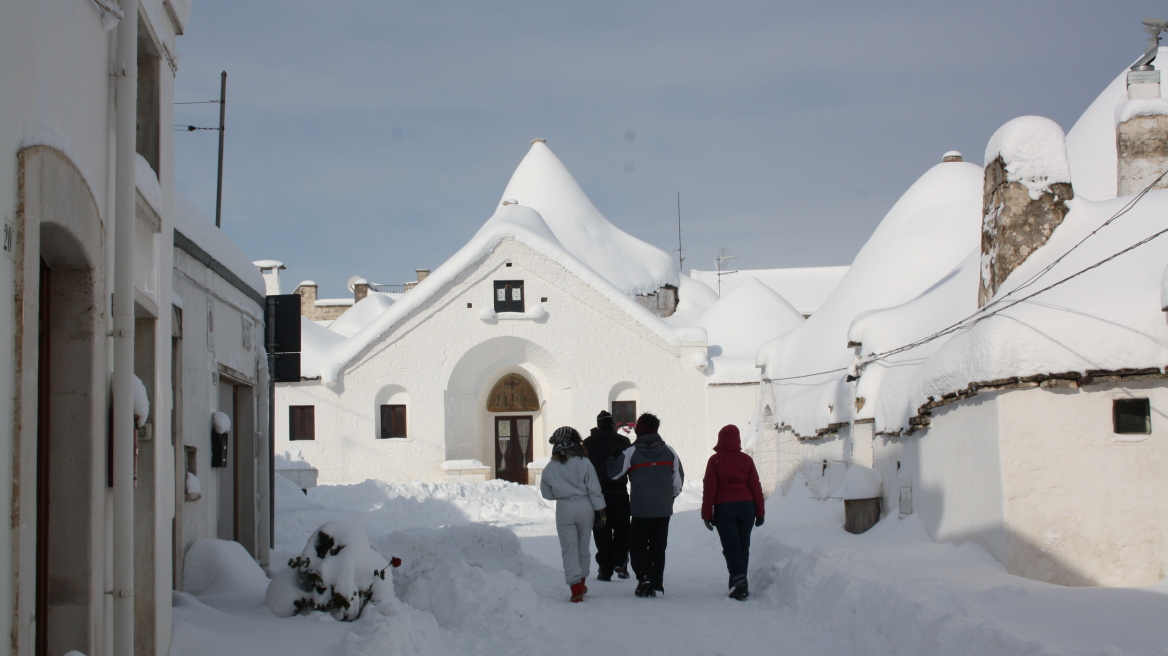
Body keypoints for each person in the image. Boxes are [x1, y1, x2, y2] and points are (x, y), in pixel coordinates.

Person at [607, 413, 683, 598]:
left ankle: (644, 577)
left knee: (638, 544)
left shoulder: (632, 452)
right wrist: (669, 498)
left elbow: (614, 474)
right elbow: (678, 481)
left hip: (641, 509)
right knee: (658, 546)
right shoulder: (669, 451)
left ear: (641, 429)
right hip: (663, 509)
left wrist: (612, 458)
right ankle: (657, 584)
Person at [540, 426, 607, 602]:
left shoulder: (550, 467)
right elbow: (594, 489)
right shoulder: (584, 462)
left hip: (564, 507)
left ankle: (575, 586)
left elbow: (546, 493)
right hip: (585, 506)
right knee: (583, 547)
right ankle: (582, 580)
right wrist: (601, 511)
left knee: (569, 548)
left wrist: (561, 494)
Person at [701, 424, 765, 601]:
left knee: (731, 547)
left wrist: (707, 514)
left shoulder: (715, 460)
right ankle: (737, 584)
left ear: (720, 439)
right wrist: (760, 512)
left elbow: (710, 489)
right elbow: (755, 487)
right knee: (743, 547)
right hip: (747, 507)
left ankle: (738, 583)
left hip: (725, 508)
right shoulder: (746, 460)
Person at [584, 410, 632, 581]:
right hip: (619, 494)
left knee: (601, 530)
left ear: (598, 425)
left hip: (598, 497)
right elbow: (630, 467)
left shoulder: (588, 443)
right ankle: (620, 561)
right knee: (622, 529)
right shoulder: (624, 441)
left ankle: (604, 568)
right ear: (613, 425)